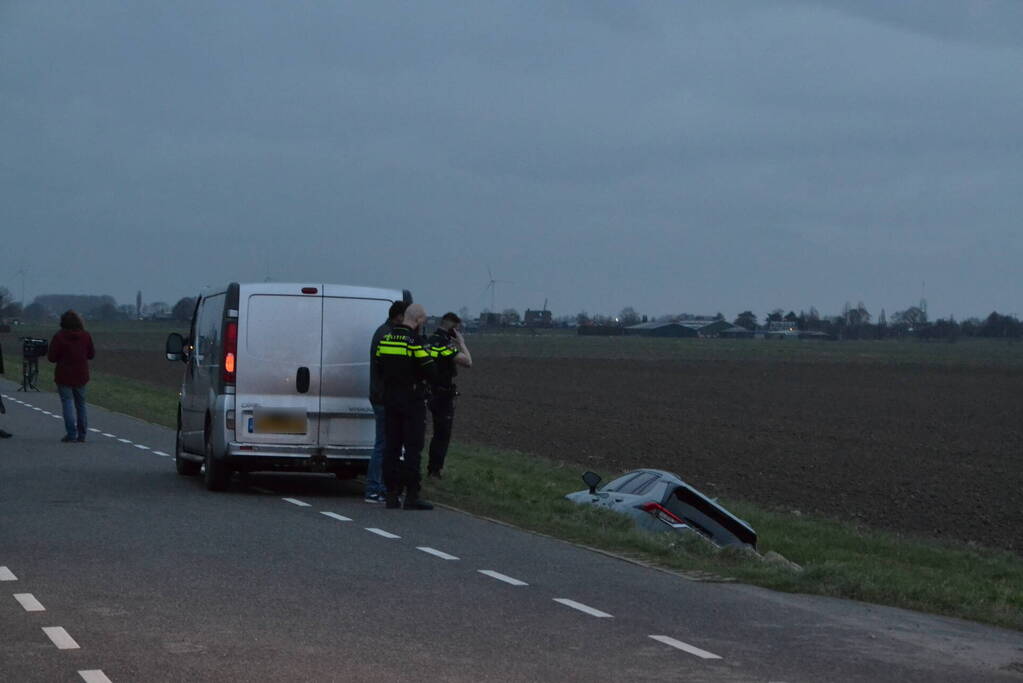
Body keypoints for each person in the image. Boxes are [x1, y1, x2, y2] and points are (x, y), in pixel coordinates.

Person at [374, 303, 437, 510]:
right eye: (423, 321)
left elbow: (379, 365)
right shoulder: (415, 342)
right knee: (412, 448)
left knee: (391, 447)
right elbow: (431, 371)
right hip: (412, 400)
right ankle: (411, 495)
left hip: (391, 400)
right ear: (417, 320)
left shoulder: (386, 339)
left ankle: (391, 494)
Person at [366, 299, 408, 503]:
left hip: (381, 395)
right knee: (383, 444)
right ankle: (375, 488)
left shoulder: (383, 331)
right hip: (383, 397)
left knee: (384, 443)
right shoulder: (386, 335)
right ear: (399, 316)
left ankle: (379, 487)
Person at [426, 312, 472, 478]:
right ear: (452, 326)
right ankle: (435, 470)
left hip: (428, 391)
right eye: (457, 328)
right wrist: (461, 343)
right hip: (443, 394)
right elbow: (468, 362)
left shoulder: (429, 341)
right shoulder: (444, 344)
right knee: (442, 434)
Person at [47, 310, 95, 443]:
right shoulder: (86, 336)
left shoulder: (59, 336)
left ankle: (71, 433)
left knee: (67, 403)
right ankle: (82, 434)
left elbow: (51, 357)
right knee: (81, 404)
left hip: (64, 374)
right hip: (81, 374)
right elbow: (91, 354)